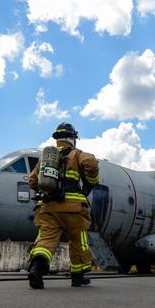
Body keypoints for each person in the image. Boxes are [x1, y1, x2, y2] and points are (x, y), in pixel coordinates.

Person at [26, 122, 100, 289]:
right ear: (72, 138)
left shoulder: (45, 160)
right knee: (78, 241)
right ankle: (78, 277)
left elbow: (32, 181)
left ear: (57, 140)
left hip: (47, 207)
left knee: (45, 240)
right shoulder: (77, 154)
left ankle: (36, 272)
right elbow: (91, 164)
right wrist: (91, 182)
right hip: (73, 208)